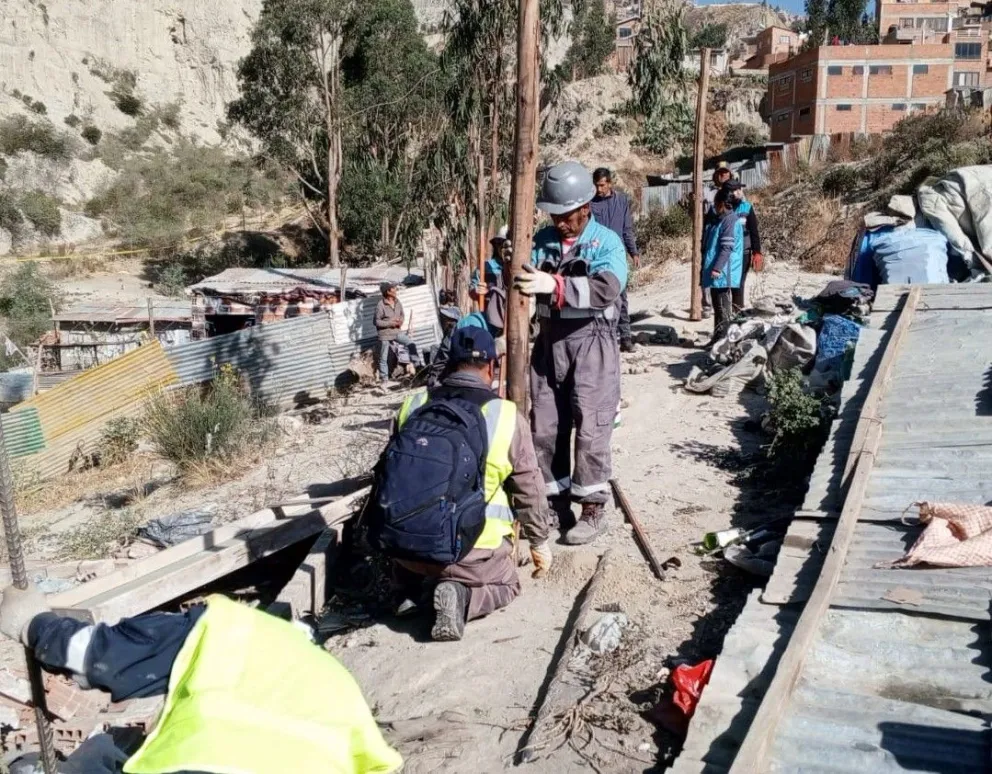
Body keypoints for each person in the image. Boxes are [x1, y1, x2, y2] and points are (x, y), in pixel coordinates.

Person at [0, 586, 403, 774]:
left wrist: (34, 624)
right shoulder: (333, 680)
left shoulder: (222, 628)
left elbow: (93, 654)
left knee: (96, 755)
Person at [369, 326, 551, 642]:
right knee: (507, 584)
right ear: (492, 367)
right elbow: (529, 487)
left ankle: (406, 592)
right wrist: (538, 540)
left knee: (413, 566)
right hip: (470, 552)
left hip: (402, 549)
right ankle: (462, 597)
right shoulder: (505, 416)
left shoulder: (412, 404)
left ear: (450, 362)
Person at [513, 160, 628, 545]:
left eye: (567, 215)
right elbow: (520, 278)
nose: (560, 222)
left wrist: (555, 284)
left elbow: (606, 289)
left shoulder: (606, 243)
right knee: (545, 426)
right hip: (549, 344)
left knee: (591, 428)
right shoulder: (542, 240)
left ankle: (592, 507)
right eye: (554, 215)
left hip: (592, 343)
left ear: (586, 208)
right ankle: (554, 502)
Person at [590, 168, 640, 353]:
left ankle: (625, 337)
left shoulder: (621, 201)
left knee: (621, 297)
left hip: (617, 257)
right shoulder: (590, 204)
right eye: (596, 185)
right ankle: (602, 339)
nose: (599, 189)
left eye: (602, 185)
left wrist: (633, 252)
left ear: (610, 183)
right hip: (597, 257)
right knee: (599, 298)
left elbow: (627, 229)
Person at [701, 186, 745, 343]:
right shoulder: (722, 219)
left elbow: (727, 248)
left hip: (723, 272)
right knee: (717, 306)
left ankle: (724, 340)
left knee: (722, 307)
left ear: (722, 203)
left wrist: (717, 268)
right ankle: (717, 337)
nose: (714, 207)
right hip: (719, 271)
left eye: (716, 203)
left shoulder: (729, 221)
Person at [724, 180, 763, 312]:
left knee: (738, 284)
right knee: (723, 285)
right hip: (725, 253)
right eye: (735, 190)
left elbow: (754, 231)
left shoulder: (746, 207)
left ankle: (737, 314)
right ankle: (724, 316)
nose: (739, 192)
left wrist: (757, 252)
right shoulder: (722, 208)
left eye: (740, 188)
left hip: (743, 253)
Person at [700, 163, 733, 318]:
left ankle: (725, 308)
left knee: (722, 271)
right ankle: (708, 305)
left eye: (725, 173)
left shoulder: (734, 193)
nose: (722, 176)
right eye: (720, 173)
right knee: (707, 269)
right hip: (709, 234)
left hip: (725, 234)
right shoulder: (707, 192)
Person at [375, 282, 419, 383]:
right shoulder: (380, 305)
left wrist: (401, 321)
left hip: (396, 332)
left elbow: (402, 314)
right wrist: (390, 323)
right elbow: (376, 322)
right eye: (393, 289)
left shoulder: (397, 302)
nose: (396, 290)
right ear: (388, 292)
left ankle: (418, 367)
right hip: (385, 334)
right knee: (383, 358)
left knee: (411, 344)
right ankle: (384, 380)